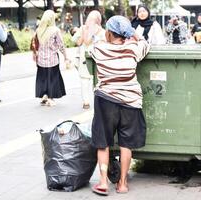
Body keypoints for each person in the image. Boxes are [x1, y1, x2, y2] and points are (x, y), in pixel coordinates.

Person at [89, 15, 150, 196]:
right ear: (125, 34)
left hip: (105, 100)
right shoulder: (133, 49)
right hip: (130, 102)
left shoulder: (99, 48)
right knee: (126, 144)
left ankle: (102, 182)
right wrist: (134, 35)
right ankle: (123, 183)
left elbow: (92, 45)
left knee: (103, 143)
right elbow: (145, 43)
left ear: (109, 32)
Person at [71, 10, 106, 109]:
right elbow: (77, 42)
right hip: (90, 58)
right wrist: (83, 33)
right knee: (89, 80)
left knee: (87, 80)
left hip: (92, 58)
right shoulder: (93, 30)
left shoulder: (99, 31)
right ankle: (88, 101)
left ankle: (88, 101)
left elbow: (77, 42)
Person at [34, 10, 67, 106]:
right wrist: (66, 57)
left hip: (41, 59)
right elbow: (61, 45)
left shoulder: (39, 30)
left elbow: (35, 44)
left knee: (43, 78)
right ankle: (50, 97)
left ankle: (44, 94)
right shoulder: (55, 30)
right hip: (52, 59)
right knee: (52, 78)